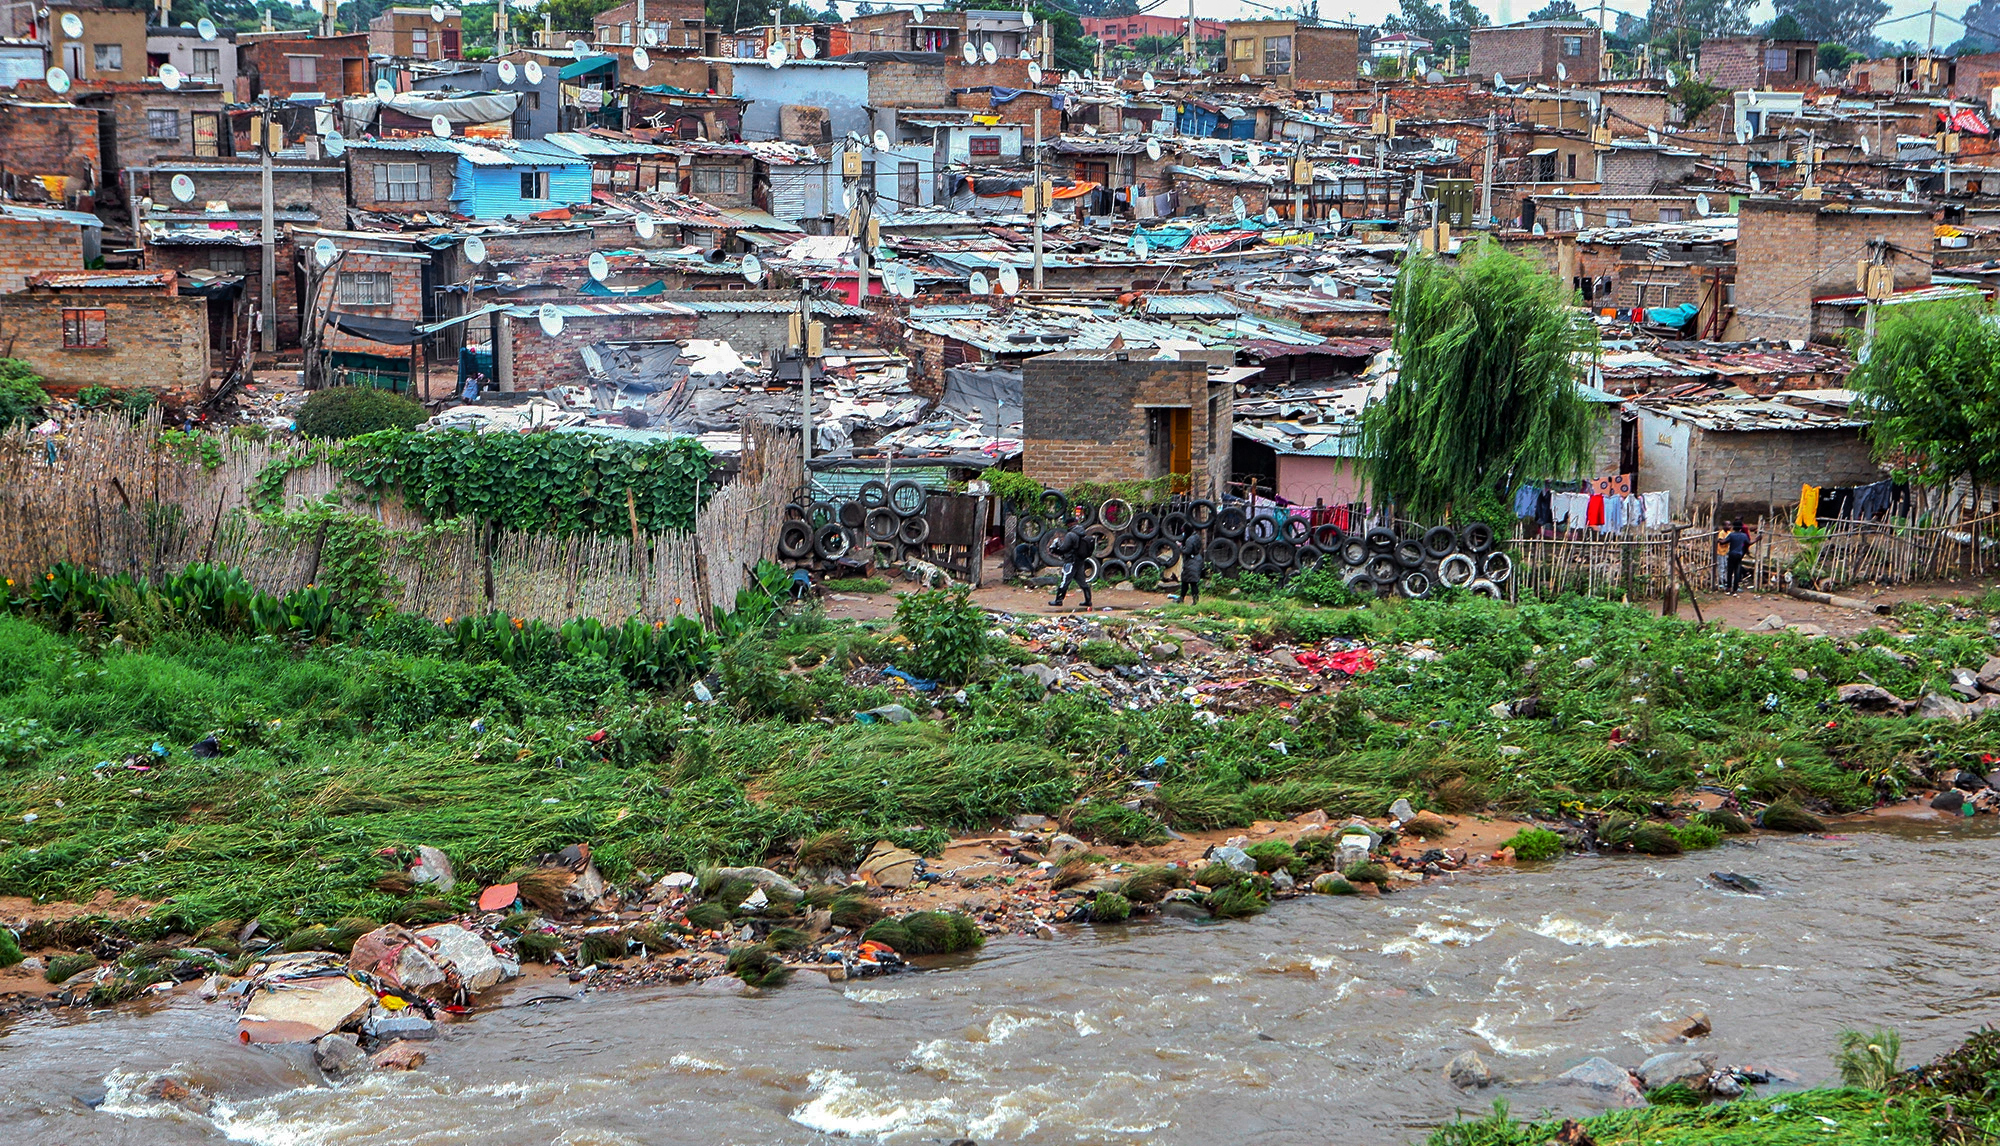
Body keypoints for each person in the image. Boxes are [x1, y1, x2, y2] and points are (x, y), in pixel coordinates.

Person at [1047, 511, 1092, 608]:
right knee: (1082, 582)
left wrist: (1056, 548)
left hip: (1071, 561)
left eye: (1067, 524)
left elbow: (1064, 548)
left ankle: (1058, 601)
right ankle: (1088, 601)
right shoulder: (1082, 532)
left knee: (1065, 581)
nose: (1067, 526)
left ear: (1070, 524)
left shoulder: (1071, 534)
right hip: (1080, 561)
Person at [1175, 531, 1206, 604]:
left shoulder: (1189, 540)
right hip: (1196, 560)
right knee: (1186, 581)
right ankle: (1183, 599)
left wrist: (1180, 547)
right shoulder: (1196, 537)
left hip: (1191, 562)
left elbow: (1187, 551)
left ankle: (1193, 601)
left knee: (1191, 583)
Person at [1724, 520, 1752, 593]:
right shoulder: (1743, 535)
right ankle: (1735, 588)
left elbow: (1724, 541)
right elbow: (1749, 542)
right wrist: (1757, 539)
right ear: (1740, 528)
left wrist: (1718, 540)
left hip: (1731, 554)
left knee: (1730, 571)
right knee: (1737, 571)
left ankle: (1728, 587)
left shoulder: (1731, 535)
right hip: (1739, 555)